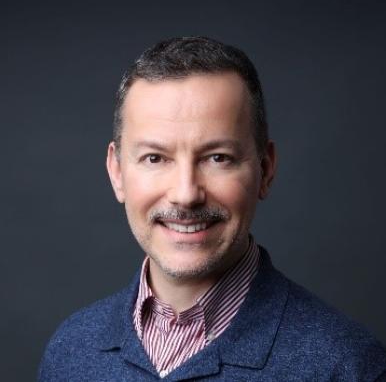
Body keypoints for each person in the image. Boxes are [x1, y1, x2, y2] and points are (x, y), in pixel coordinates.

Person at [38, 36, 386, 381]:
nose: (186, 194)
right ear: (117, 173)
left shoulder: (348, 366)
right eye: (155, 158)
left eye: (218, 158)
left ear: (265, 169)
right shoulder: (71, 350)